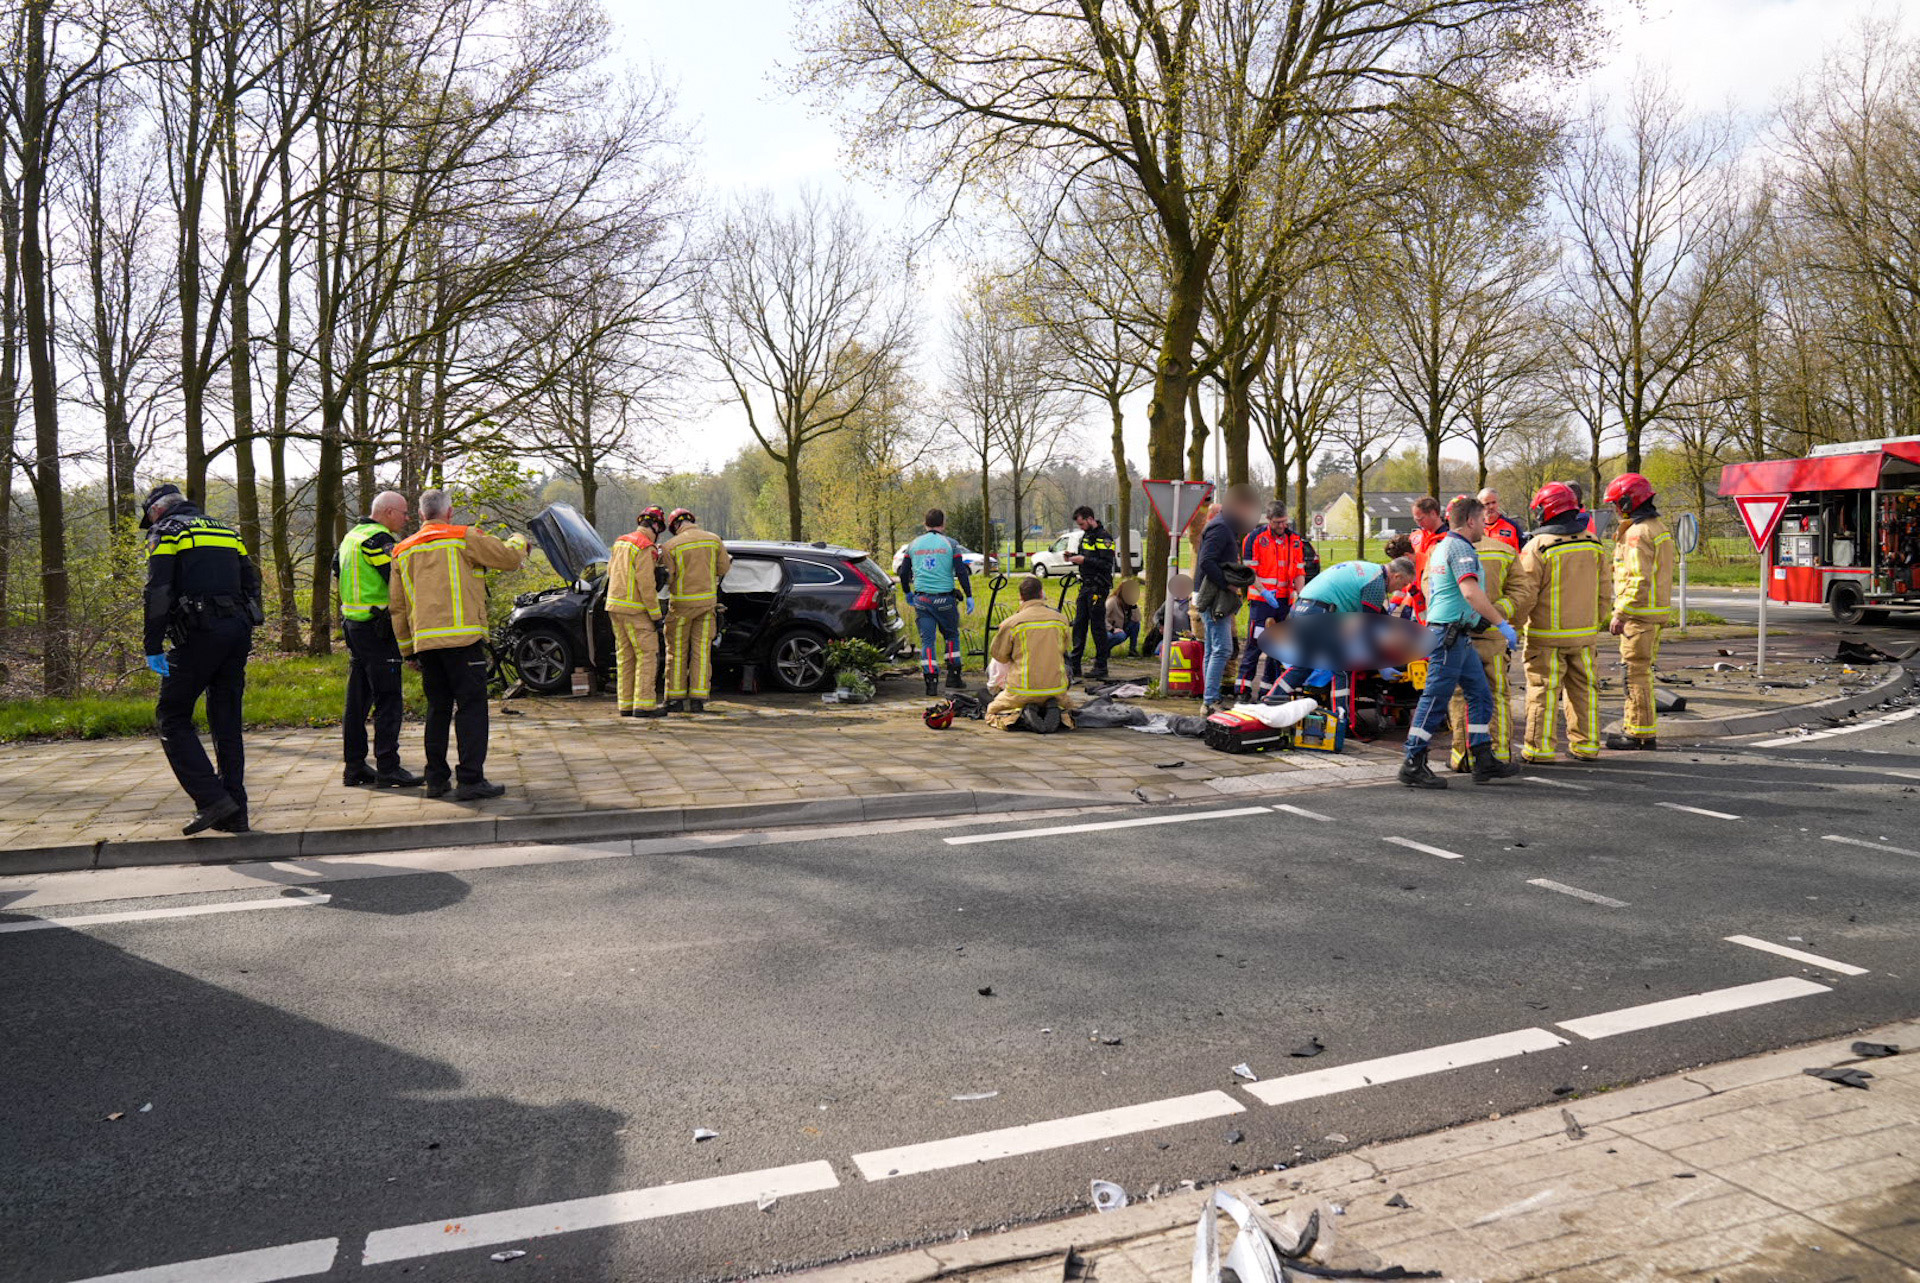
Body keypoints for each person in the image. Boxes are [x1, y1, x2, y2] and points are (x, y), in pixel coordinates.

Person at [141, 483, 264, 835]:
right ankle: (236, 813)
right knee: (226, 720)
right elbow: (251, 582)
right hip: (237, 631)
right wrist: (247, 622)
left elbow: (158, 589)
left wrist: (152, 644)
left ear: (156, 511)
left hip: (198, 634)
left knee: (172, 716)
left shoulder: (167, 532)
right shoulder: (226, 531)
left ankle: (211, 799)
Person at [392, 489, 527, 800]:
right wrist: (519, 540)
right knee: (471, 709)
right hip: (463, 640)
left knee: (437, 710)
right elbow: (508, 558)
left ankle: (436, 780)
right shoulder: (463, 537)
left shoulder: (402, 550)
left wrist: (407, 650)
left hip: (426, 644)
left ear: (422, 515)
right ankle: (470, 780)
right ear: (449, 513)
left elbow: (397, 607)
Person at [1401, 494, 1521, 789]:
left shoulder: (1445, 546)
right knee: (1435, 699)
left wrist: (1474, 618)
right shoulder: (1460, 548)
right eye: (1481, 520)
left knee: (1480, 694)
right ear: (1470, 521)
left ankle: (1482, 757)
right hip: (1448, 636)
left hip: (1456, 634)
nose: (1484, 525)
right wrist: (1501, 623)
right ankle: (1413, 762)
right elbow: (1469, 591)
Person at [1506, 482, 1612, 764]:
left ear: (1548, 510)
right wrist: (1594, 622)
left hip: (1546, 637)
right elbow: (1605, 590)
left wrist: (1513, 626)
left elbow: (1526, 594)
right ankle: (1586, 746)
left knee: (1543, 692)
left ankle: (1539, 749)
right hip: (1585, 635)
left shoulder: (1538, 546)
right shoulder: (1593, 542)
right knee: (1584, 691)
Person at [336, 490, 424, 789]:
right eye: (404, 512)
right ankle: (388, 767)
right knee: (389, 699)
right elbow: (398, 580)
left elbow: (337, 571)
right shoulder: (378, 540)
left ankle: (354, 766)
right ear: (388, 512)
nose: (407, 518)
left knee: (357, 700)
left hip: (353, 625)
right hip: (377, 629)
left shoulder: (351, 537)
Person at [1268, 557, 1417, 699]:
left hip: (1301, 609)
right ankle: (1341, 714)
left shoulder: (1370, 571)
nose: (1400, 589)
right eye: (1403, 584)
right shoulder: (1376, 583)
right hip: (1320, 613)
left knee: (1304, 665)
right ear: (1397, 576)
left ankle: (1271, 700)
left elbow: (1379, 616)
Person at [1604, 472, 1676, 750]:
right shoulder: (1658, 527)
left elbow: (1638, 579)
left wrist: (1620, 613)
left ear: (1627, 502)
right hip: (1653, 613)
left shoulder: (1637, 533)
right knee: (1643, 673)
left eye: (1616, 503)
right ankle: (1641, 731)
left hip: (1639, 615)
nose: (1614, 509)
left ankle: (1639, 734)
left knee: (1634, 675)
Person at [1446, 515, 1522, 773]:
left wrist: (1466, 617)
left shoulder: (1441, 549)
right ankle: (1498, 754)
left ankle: (1463, 756)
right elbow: (1522, 591)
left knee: (1460, 696)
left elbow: (1433, 591)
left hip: (1457, 633)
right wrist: (1497, 616)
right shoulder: (1505, 550)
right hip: (1493, 636)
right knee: (1496, 693)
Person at [1195, 484, 1261, 710]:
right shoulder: (1221, 528)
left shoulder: (1225, 527)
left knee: (1212, 649)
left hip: (1214, 596)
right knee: (1222, 649)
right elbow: (1206, 562)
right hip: (1215, 599)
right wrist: (1227, 584)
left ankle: (1208, 699)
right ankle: (1210, 700)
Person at [897, 507, 975, 697]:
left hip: (922, 600)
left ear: (925, 524)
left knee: (927, 640)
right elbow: (961, 571)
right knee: (951, 635)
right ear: (943, 524)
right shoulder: (951, 544)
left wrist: (907, 592)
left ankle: (931, 683)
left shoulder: (913, 545)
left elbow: (904, 572)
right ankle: (953, 677)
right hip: (945, 600)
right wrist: (969, 595)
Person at [661, 507, 732, 713]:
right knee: (701, 651)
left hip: (681, 607)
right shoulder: (714, 540)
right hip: (706, 605)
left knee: (677, 652)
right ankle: (698, 699)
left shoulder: (671, 546)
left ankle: (675, 699)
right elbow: (723, 568)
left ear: (675, 526)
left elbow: (668, 578)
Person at [1236, 501, 1308, 699]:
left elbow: (1299, 571)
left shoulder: (1295, 540)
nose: (1282, 526)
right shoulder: (1254, 539)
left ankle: (1269, 690)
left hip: (1285, 602)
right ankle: (1242, 689)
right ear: (1268, 520)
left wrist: (1301, 597)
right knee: (1256, 644)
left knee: (1279, 647)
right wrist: (1265, 592)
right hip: (1261, 602)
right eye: (1277, 522)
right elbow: (1249, 572)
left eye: (1285, 521)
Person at [985, 575, 1074, 731]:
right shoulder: (1061, 620)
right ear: (1041, 593)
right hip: (1056, 690)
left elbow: (999, 656)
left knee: (992, 710)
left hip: (1021, 692)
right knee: (1067, 704)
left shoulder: (1011, 623)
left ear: (1021, 597)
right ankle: (1056, 711)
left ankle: (1021, 715)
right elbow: (1064, 648)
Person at [608, 505, 667, 718]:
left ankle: (625, 704)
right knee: (647, 655)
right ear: (655, 526)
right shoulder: (645, 547)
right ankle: (644, 705)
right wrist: (656, 616)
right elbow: (646, 585)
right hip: (636, 610)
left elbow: (610, 571)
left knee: (625, 656)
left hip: (614, 607)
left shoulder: (621, 542)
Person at [1066, 505, 1117, 679]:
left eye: (1082, 524)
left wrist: (1084, 560)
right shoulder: (1086, 536)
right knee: (1079, 625)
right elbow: (1087, 556)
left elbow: (1106, 564)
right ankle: (1075, 666)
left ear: (1090, 519)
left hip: (1098, 587)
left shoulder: (1104, 537)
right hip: (1085, 586)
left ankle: (1101, 666)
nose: (1081, 527)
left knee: (1097, 627)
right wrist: (1073, 557)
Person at [1406, 496, 1449, 621]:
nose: (1418, 523)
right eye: (1415, 519)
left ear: (1434, 514)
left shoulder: (1448, 539)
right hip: (1416, 598)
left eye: (1421, 519)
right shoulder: (1415, 537)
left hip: (1437, 596)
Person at [1141, 572, 1193, 657]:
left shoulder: (1192, 603)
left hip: (1188, 639)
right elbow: (1156, 615)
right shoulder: (1169, 602)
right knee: (1158, 652)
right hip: (1170, 637)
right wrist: (1160, 626)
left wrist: (1193, 633)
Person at [1105, 579, 1142, 655]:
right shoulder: (1112, 601)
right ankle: (1104, 650)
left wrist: (1134, 606)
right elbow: (1101, 618)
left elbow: (1137, 619)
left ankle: (1132, 650)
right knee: (1121, 635)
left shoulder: (1129, 603)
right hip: (1108, 630)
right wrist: (1112, 629)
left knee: (1136, 624)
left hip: (1121, 628)